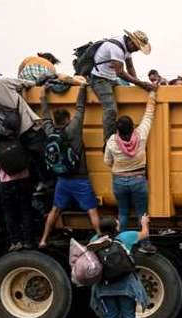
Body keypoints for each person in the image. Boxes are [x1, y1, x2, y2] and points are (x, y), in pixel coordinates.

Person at [38, 84, 102, 248]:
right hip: (80, 178)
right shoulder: (73, 129)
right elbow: (81, 108)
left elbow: (45, 115)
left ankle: (43, 239)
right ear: (67, 119)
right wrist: (82, 88)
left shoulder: (49, 130)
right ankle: (100, 236)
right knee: (91, 209)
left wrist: (43, 96)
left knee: (55, 210)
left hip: (62, 179)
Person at [104, 85, 158, 254]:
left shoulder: (112, 141)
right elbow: (149, 115)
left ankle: (120, 244)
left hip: (119, 180)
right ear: (132, 127)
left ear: (118, 130)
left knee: (123, 213)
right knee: (142, 212)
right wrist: (152, 94)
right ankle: (145, 244)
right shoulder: (140, 135)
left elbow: (107, 162)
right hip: (138, 180)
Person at [89, 215, 151, 318]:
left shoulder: (94, 241)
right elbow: (145, 234)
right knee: (129, 315)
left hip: (104, 287)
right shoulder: (124, 237)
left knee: (110, 316)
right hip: (126, 285)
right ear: (115, 227)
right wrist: (144, 223)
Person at [0, 68, 49, 188]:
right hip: (27, 127)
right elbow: (29, 83)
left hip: (9, 136)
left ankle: (37, 186)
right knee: (42, 156)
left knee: (28, 161)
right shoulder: (3, 82)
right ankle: (48, 184)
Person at [89, 30, 155, 143]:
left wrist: (137, 83)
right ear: (130, 40)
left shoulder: (126, 48)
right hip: (99, 79)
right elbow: (120, 72)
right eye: (136, 46)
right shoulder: (116, 48)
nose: (136, 50)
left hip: (111, 78)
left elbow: (130, 67)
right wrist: (141, 84)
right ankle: (108, 142)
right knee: (111, 110)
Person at [0, 135, 33, 251]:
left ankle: (16, 241)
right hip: (24, 178)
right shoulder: (16, 137)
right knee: (26, 210)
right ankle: (29, 240)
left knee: (9, 212)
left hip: (6, 181)